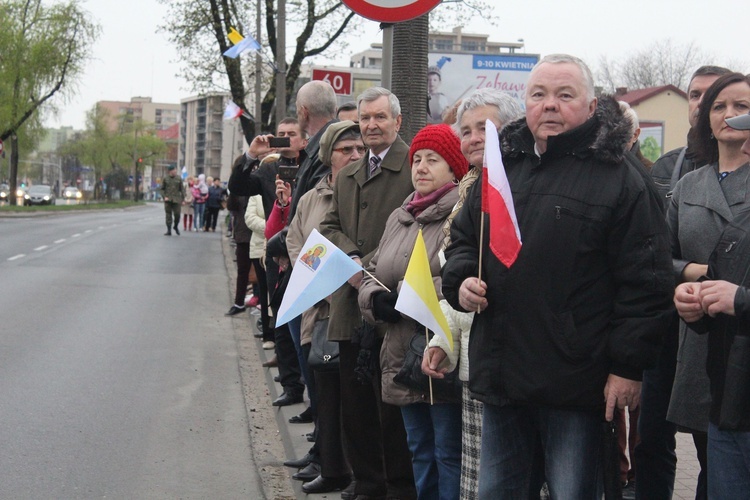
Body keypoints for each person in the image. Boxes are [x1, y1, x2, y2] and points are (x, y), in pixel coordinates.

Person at [441, 54, 673, 498]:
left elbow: (646, 284)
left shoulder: (623, 180)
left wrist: (627, 367)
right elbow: (465, 240)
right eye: (539, 95)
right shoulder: (502, 166)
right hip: (503, 375)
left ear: (590, 105)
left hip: (577, 385)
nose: (550, 106)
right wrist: (462, 280)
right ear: (524, 103)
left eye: (564, 95)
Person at [420, 88, 523, 500]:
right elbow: (458, 268)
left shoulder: (516, 185)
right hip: (479, 363)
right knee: (479, 479)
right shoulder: (471, 187)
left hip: (524, 363)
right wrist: (444, 337)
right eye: (466, 130)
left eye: (485, 127)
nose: (475, 137)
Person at [635, 65, 732, 500]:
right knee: (651, 439)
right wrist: (695, 274)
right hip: (668, 323)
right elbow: (652, 251)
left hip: (726, 331)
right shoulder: (671, 168)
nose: (702, 104)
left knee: (716, 449)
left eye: (711, 96)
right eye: (696, 95)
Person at [359, 124, 466, 499]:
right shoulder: (400, 215)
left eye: (432, 160)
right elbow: (371, 270)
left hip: (439, 353)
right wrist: (374, 298)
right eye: (416, 159)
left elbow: (460, 276)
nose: (420, 167)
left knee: (448, 453)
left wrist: (407, 294)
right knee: (419, 451)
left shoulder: (461, 214)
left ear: (454, 168)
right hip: (399, 351)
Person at [320, 86, 417, 499]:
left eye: (380, 118)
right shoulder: (347, 174)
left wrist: (371, 266)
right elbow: (327, 227)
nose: (372, 125)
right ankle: (367, 485)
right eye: (365, 118)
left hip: (391, 305)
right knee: (355, 406)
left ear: (397, 122)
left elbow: (417, 226)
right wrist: (352, 256)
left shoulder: (413, 165)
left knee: (390, 410)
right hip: (348, 304)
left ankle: (395, 487)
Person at [665, 72, 750, 499]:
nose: (730, 115)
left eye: (741, 106)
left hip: (743, 344)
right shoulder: (687, 185)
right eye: (719, 106)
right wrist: (688, 276)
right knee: (710, 461)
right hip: (697, 337)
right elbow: (658, 258)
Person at [285, 120, 365, 494]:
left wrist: (344, 282)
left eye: (359, 150)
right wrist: (321, 281)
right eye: (346, 150)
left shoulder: (364, 192)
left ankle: (355, 473)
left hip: (352, 310)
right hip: (316, 310)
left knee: (353, 400)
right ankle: (331, 467)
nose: (354, 155)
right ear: (328, 156)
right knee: (324, 396)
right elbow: (296, 242)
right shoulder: (311, 198)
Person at [290, 80, 339, 219]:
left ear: (304, 112)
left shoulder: (325, 150)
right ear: (335, 110)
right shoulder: (341, 141)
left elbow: (312, 211)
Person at [226, 193, 251, 316]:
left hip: (256, 236)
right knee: (242, 272)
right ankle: (238, 303)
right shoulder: (239, 193)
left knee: (260, 274)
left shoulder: (258, 187)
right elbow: (231, 206)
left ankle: (255, 298)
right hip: (242, 236)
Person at [160, 165, 184, 236]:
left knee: (177, 215)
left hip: (177, 199)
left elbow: (182, 189)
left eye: (176, 170)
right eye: (174, 170)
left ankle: (175, 226)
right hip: (168, 199)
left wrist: (183, 199)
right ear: (170, 171)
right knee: (168, 215)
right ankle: (169, 230)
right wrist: (164, 197)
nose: (175, 171)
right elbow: (162, 189)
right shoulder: (165, 178)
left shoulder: (179, 178)